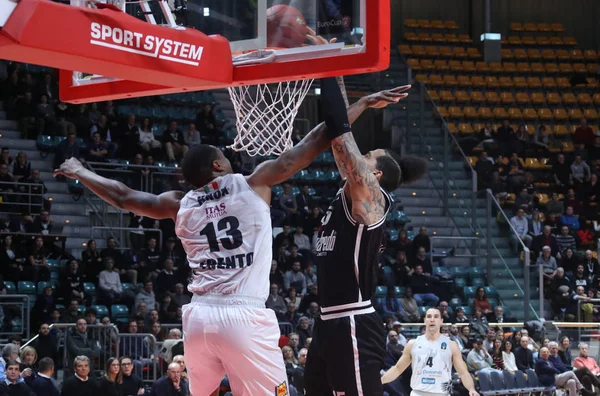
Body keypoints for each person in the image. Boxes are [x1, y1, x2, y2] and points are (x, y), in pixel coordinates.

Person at [54, 79, 410, 396]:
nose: (230, 158)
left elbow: (123, 196)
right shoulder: (253, 183)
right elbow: (317, 139)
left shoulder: (179, 204)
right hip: (242, 317)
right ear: (217, 167)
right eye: (225, 156)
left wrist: (80, 170)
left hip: (197, 320)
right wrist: (360, 104)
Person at [303, 78, 426, 396]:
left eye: (367, 155)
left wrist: (329, 69)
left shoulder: (372, 198)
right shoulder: (350, 194)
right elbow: (337, 138)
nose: (359, 155)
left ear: (376, 175)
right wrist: (361, 99)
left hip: (353, 321)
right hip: (328, 321)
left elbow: (341, 138)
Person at [382, 307, 479, 396]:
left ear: (441, 321)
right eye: (429, 316)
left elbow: (463, 372)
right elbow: (397, 369)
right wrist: (380, 381)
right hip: (418, 393)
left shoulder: (451, 345)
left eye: (436, 317)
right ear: (424, 320)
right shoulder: (413, 344)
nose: (432, 319)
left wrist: (471, 388)